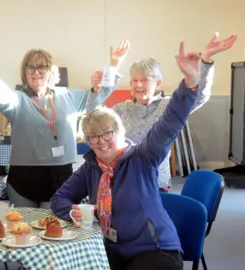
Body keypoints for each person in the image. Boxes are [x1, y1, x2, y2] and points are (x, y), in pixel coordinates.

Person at [51, 41, 202, 270]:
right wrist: (73, 212)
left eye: (107, 134)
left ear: (120, 132)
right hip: (114, 249)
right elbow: (59, 200)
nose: (101, 142)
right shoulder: (91, 167)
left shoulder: (143, 158)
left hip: (156, 250)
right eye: (93, 137)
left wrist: (190, 83)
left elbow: (170, 123)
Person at [0, 11, 129, 209]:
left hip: (60, 174)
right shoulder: (18, 100)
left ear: (50, 70)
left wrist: (114, 64)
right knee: (24, 230)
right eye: (30, 68)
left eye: (41, 67)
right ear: (25, 73)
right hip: (24, 177)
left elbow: (96, 96)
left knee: (53, 230)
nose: (36, 72)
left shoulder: (66, 95)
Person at [93, 32, 237, 192]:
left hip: (156, 183)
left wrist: (206, 60)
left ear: (158, 83)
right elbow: (94, 118)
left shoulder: (167, 106)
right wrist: (105, 78)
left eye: (144, 80)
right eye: (134, 80)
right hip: (124, 180)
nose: (138, 85)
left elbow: (199, 96)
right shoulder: (121, 109)